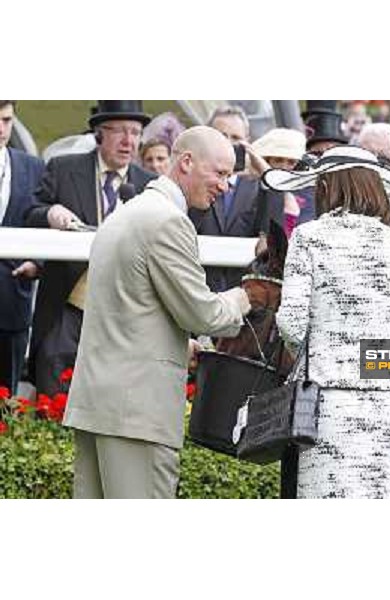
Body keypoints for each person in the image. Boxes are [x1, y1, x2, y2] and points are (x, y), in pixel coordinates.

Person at [63, 126, 253, 499]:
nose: (225, 185)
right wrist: (247, 296)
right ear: (186, 162)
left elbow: (131, 309)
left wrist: (178, 344)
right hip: (137, 415)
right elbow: (206, 316)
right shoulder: (168, 221)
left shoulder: (125, 213)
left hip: (98, 407)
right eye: (220, 172)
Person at [265, 145, 390, 498]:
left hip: (324, 398)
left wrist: (328, 353)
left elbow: (292, 324)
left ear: (328, 187)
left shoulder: (309, 237)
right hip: (387, 405)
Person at [24, 101, 157, 396]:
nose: (129, 141)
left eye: (135, 133)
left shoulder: (150, 185)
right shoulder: (63, 168)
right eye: (120, 131)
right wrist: (50, 213)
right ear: (99, 134)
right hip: (68, 309)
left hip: (125, 317)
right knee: (54, 402)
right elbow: (31, 212)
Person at [189, 105, 266, 292]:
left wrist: (265, 174)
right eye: (222, 136)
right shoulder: (192, 182)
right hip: (198, 291)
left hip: (244, 295)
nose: (228, 144)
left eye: (236, 138)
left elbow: (270, 234)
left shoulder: (260, 186)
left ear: (247, 142)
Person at [0, 100, 44, 395]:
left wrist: (37, 262)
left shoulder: (33, 166)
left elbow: (42, 216)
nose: (1, 129)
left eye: (6, 120)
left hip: (13, 299)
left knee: (7, 401)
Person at [251, 127, 306, 238]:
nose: (284, 167)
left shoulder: (305, 194)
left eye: (291, 162)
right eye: (278, 160)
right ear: (266, 161)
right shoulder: (254, 191)